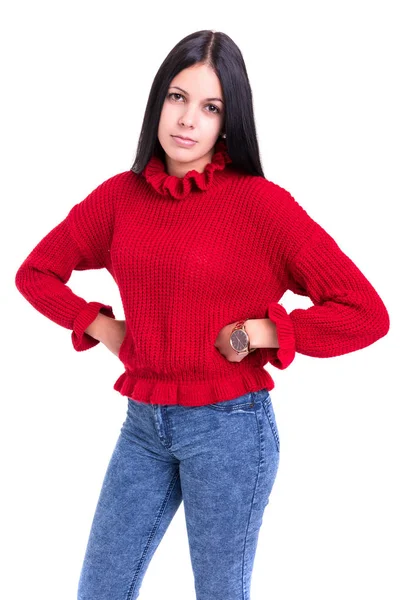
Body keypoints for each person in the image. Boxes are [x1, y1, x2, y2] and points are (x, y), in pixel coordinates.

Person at [15, 29, 390, 600]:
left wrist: (264, 332)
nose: (188, 119)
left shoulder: (262, 206)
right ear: (157, 102)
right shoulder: (121, 197)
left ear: (228, 119)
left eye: (210, 106)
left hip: (231, 429)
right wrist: (104, 326)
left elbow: (366, 312)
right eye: (177, 97)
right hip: (143, 426)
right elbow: (35, 273)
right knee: (100, 589)